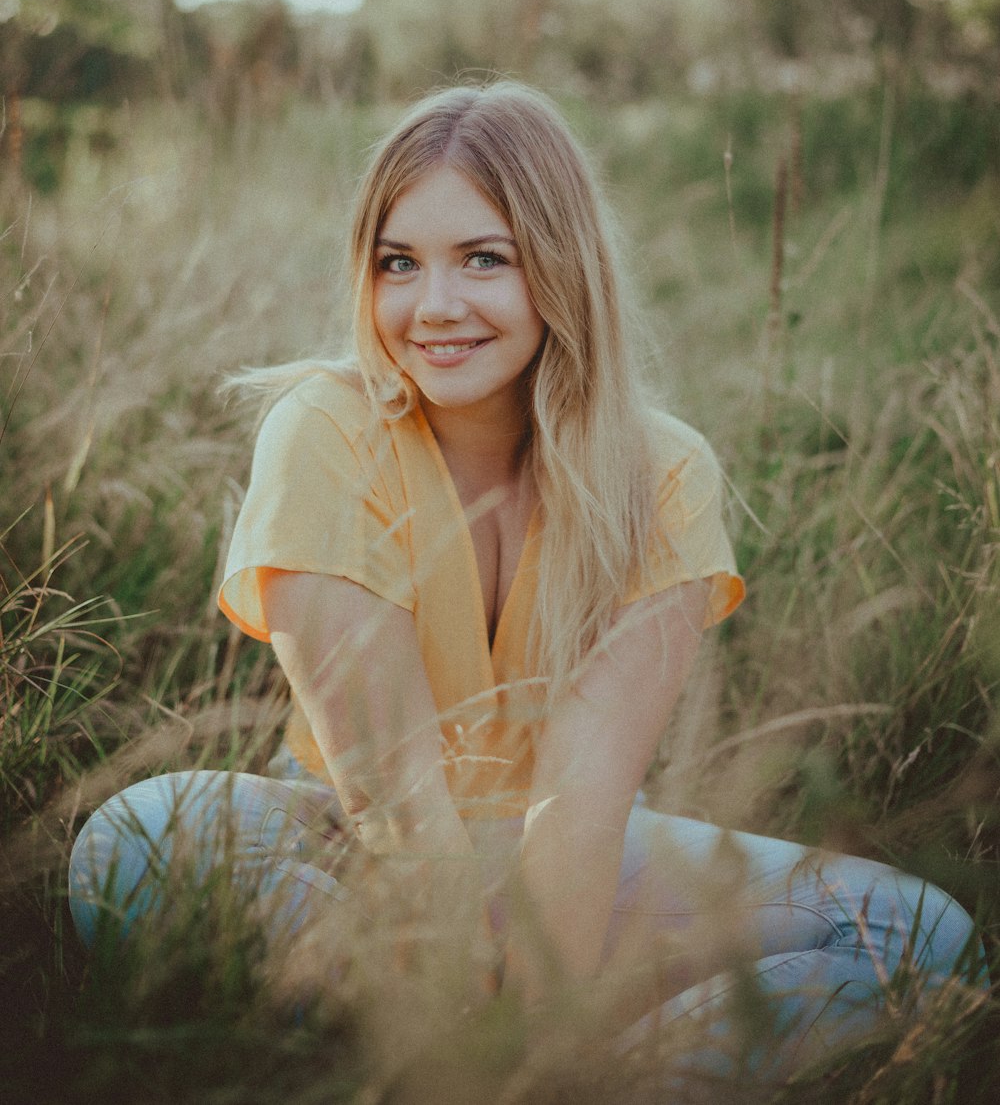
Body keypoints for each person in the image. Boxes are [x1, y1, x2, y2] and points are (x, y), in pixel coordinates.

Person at [69, 82, 984, 1088]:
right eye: (398, 264)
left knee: (923, 936)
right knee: (132, 842)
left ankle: (620, 1075)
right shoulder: (326, 429)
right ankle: (411, 1040)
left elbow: (585, 793)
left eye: (484, 259)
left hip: (575, 865)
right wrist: (453, 953)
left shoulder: (663, 472)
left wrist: (538, 1022)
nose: (433, 307)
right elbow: (390, 788)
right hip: (349, 843)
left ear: (560, 265)